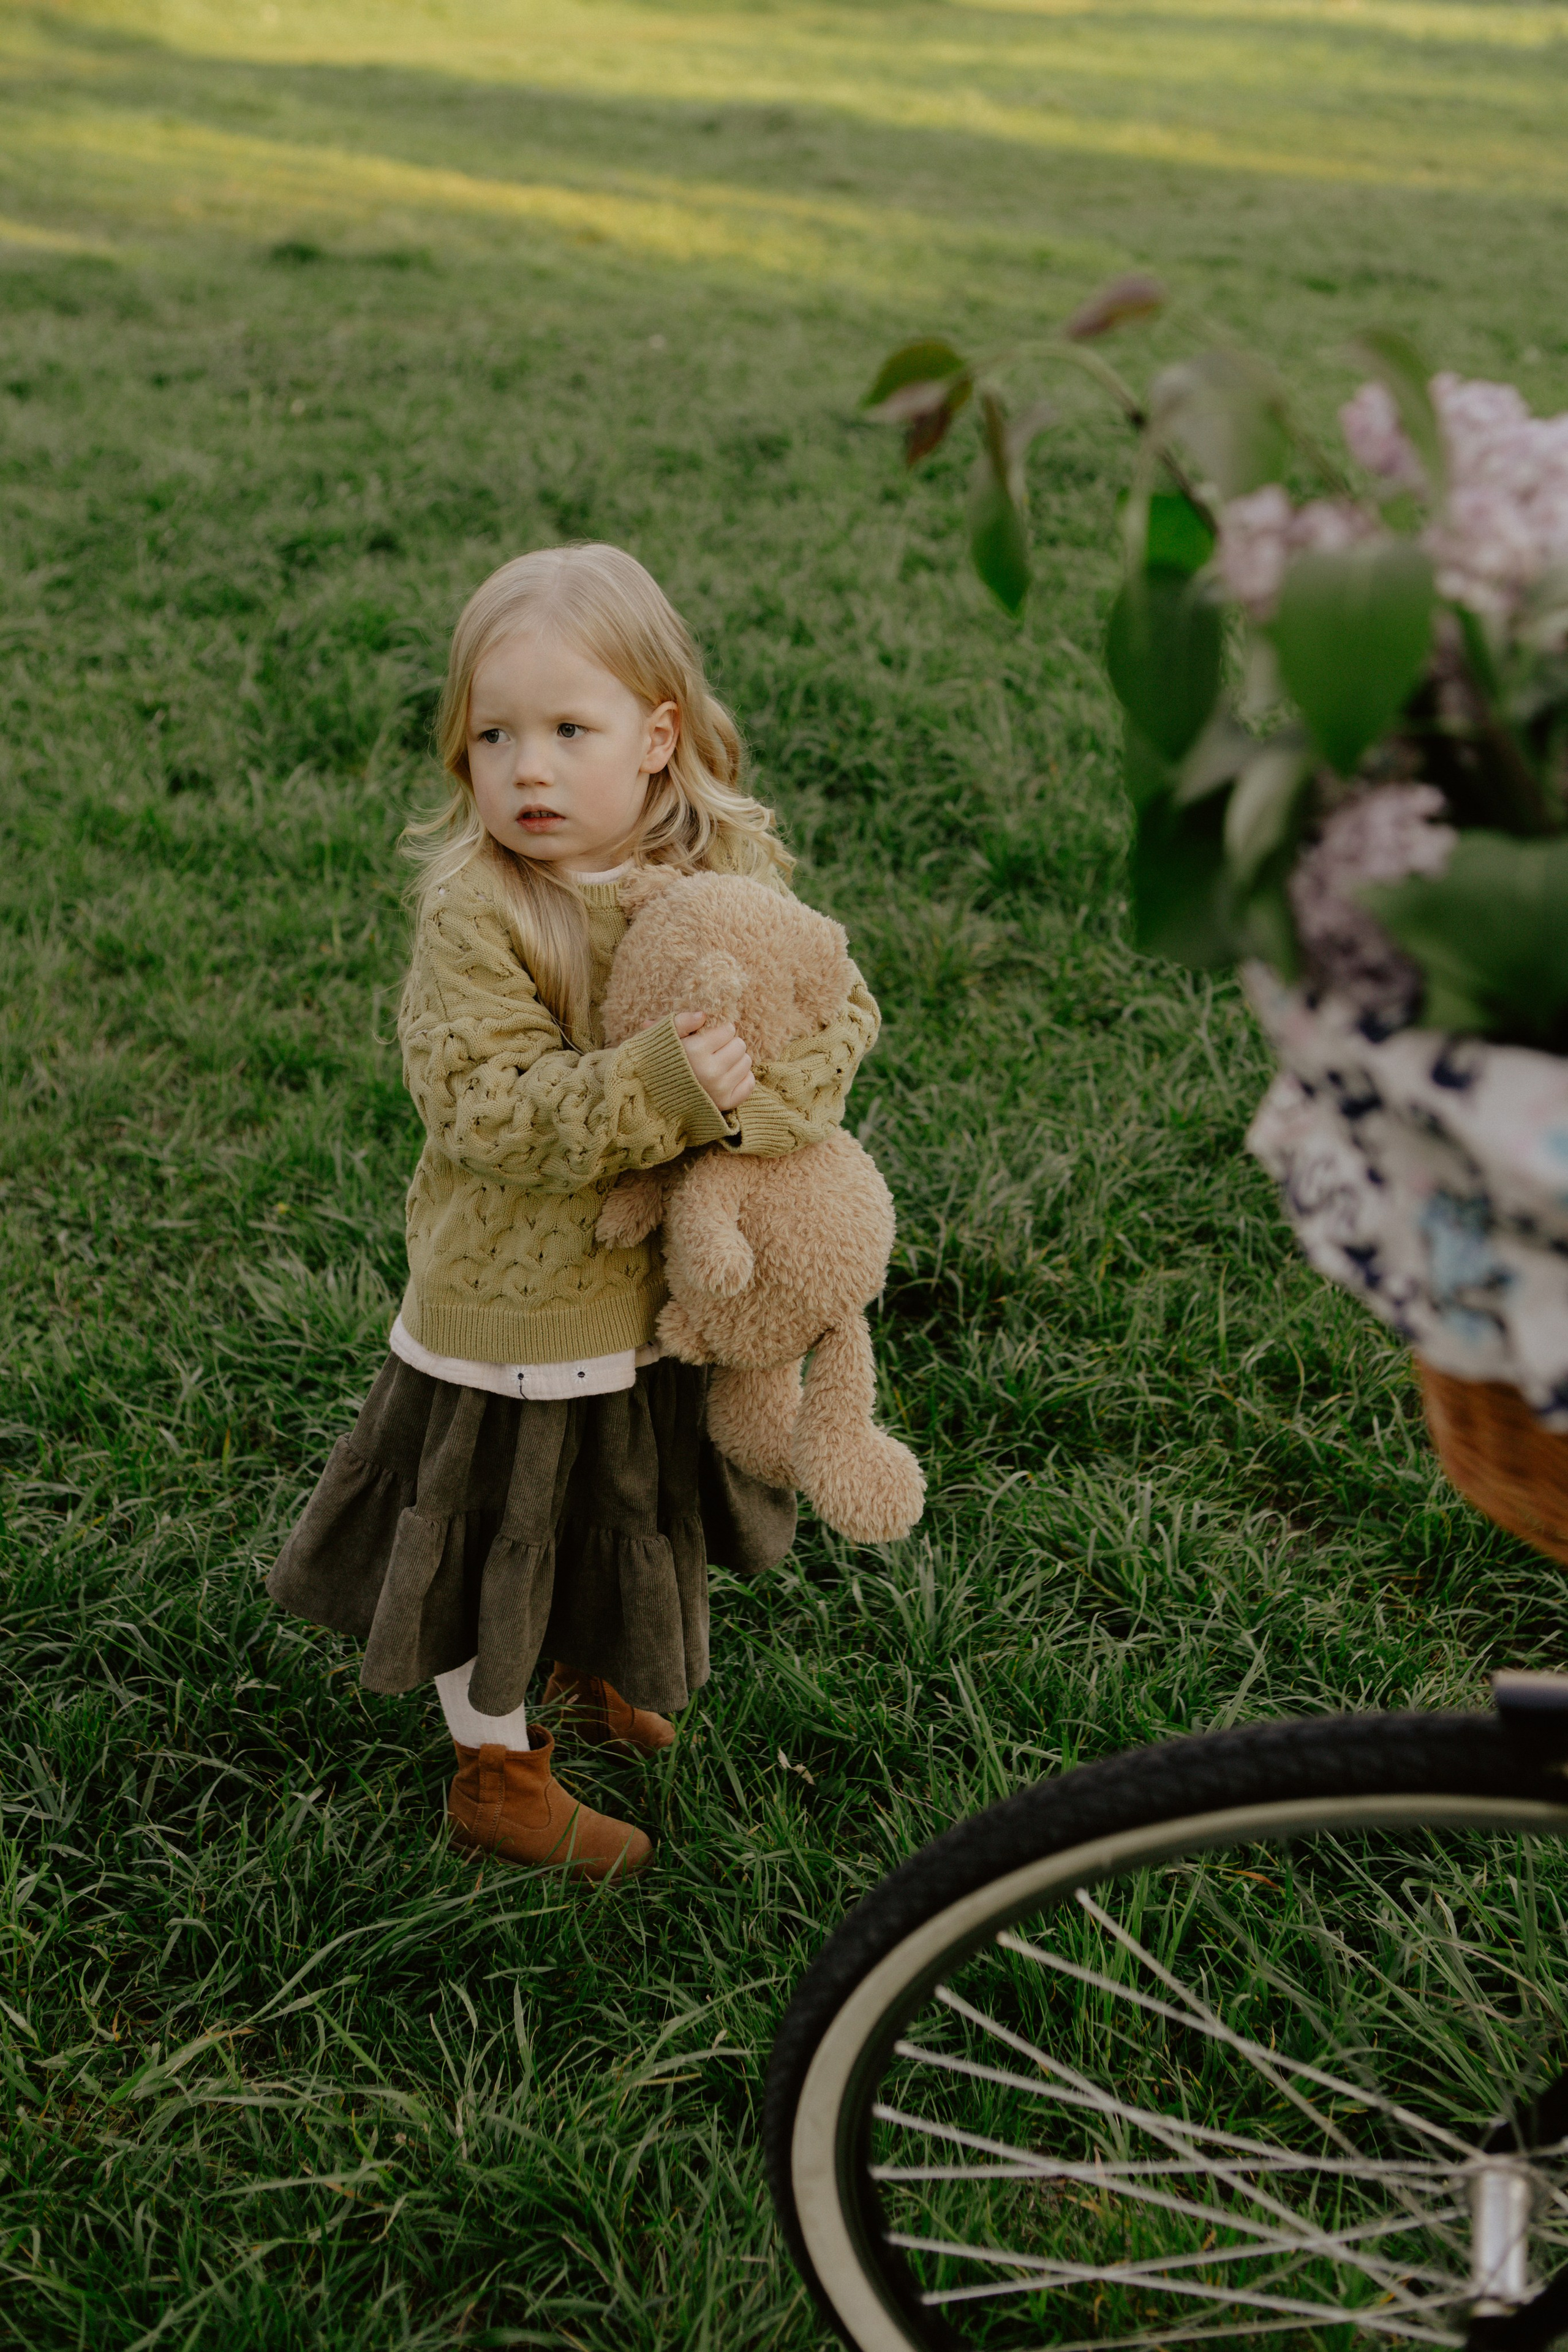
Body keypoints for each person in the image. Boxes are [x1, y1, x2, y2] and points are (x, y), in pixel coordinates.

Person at [266, 544, 880, 1883]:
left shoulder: (722, 867)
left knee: (622, 1500)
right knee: (499, 1529)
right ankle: (495, 1767)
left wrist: (765, 1108)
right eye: (494, 735)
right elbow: (489, 1111)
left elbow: (835, 1005)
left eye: (566, 731)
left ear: (657, 739)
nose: (526, 768)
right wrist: (665, 1085)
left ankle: (602, 1653)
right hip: (522, 1316)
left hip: (659, 1305)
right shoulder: (478, 915)